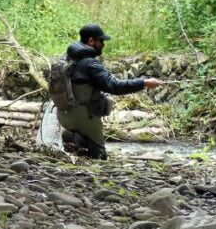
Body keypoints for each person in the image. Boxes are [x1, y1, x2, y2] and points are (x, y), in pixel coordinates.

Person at [58, 23, 163, 159]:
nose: (103, 44)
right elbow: (114, 86)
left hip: (64, 115)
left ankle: (75, 138)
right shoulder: (90, 64)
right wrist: (144, 83)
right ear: (91, 41)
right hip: (84, 116)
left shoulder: (66, 59)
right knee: (100, 156)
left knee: (84, 151)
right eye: (101, 40)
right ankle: (76, 139)